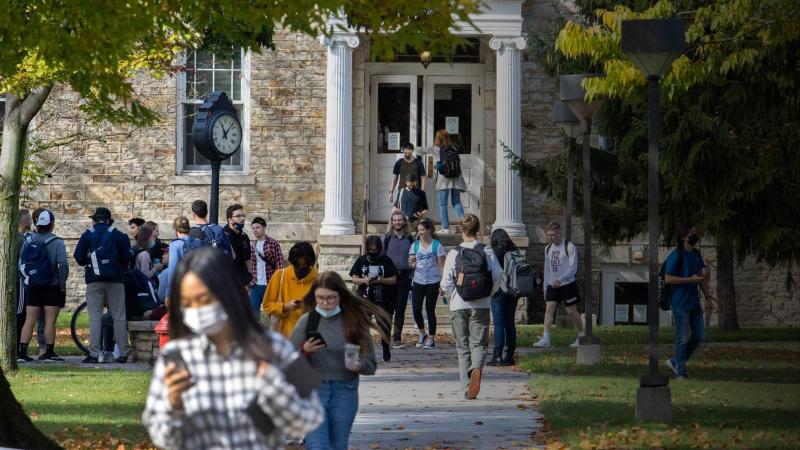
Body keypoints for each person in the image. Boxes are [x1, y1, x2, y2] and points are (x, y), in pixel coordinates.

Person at [142, 247, 324, 449]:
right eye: (187, 302)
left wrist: (276, 390)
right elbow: (160, 434)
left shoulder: (277, 347)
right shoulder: (174, 356)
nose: (197, 309)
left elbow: (313, 415)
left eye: (203, 299)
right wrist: (173, 405)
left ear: (227, 294)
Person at [289, 271, 389, 450]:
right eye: (320, 298)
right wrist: (304, 350)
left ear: (341, 296)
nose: (325, 303)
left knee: (338, 445)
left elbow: (371, 364)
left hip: (345, 390)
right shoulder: (307, 321)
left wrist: (359, 365)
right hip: (314, 391)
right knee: (318, 446)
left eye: (330, 298)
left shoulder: (354, 321)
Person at [441, 214, 502, 399]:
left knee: (462, 346)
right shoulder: (487, 250)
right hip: (481, 304)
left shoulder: (454, 253)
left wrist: (450, 294)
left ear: (461, 230)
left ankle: (467, 386)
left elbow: (446, 283)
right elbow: (498, 275)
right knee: (479, 343)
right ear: (478, 230)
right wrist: (490, 293)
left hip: (458, 303)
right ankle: (476, 368)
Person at [74, 207, 132, 363]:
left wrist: (89, 259)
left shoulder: (88, 235)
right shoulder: (118, 235)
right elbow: (127, 257)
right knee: (119, 316)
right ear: (109, 220)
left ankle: (94, 353)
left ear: (94, 220)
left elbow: (78, 258)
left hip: (94, 281)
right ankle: (123, 353)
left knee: (95, 317)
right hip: (116, 281)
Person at [17, 209, 69, 362]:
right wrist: (62, 283)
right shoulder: (57, 242)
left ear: (37, 224)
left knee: (30, 319)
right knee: (49, 320)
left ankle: (22, 352)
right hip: (52, 285)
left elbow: (21, 263)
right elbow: (63, 265)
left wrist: (26, 281)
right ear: (52, 224)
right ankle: (48, 352)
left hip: (33, 285)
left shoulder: (29, 240)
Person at [664, 224, 708, 380]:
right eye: (692, 233)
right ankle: (681, 372)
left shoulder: (696, 254)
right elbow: (668, 278)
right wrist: (688, 280)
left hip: (694, 303)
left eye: (695, 232)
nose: (695, 235)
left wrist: (708, 296)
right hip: (680, 303)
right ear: (683, 237)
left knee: (699, 336)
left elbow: (701, 277)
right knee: (682, 338)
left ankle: (676, 361)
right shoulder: (676, 255)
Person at [533, 222, 585, 349]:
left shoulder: (569, 246)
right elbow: (547, 269)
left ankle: (581, 336)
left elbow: (573, 268)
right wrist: (546, 287)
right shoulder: (548, 248)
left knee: (571, 311)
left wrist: (560, 280)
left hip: (567, 283)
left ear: (559, 232)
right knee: (549, 309)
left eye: (553, 235)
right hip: (552, 284)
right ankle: (546, 338)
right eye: (548, 235)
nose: (550, 238)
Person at [349, 235, 397, 361]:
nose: (373, 253)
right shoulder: (361, 260)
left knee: (384, 326)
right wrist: (364, 280)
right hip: (365, 297)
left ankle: (385, 346)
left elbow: (393, 279)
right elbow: (354, 278)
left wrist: (381, 280)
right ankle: (363, 350)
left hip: (383, 298)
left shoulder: (386, 260)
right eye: (371, 251)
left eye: (376, 251)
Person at [262, 242, 319, 337]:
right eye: (297, 265)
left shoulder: (318, 280)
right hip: (283, 336)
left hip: (307, 337)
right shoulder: (280, 276)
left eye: (304, 266)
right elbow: (267, 306)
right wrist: (284, 307)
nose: (300, 268)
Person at [418, 130, 466, 233]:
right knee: (456, 202)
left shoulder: (435, 149)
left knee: (443, 204)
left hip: (443, 179)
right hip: (456, 178)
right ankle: (465, 227)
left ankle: (445, 228)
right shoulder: (454, 148)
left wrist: (410, 148)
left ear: (437, 138)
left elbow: (419, 151)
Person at [408, 218, 446, 349]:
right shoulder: (415, 245)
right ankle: (422, 333)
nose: (420, 233)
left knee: (430, 310)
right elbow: (411, 265)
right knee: (416, 309)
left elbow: (441, 266)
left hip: (433, 281)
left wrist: (442, 283)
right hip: (418, 280)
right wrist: (412, 263)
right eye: (418, 231)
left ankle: (431, 338)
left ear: (430, 230)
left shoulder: (437, 245)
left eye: (422, 230)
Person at [487, 228, 520, 366]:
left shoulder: (495, 251)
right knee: (510, 323)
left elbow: (491, 271)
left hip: (499, 291)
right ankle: (510, 355)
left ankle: (497, 355)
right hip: (513, 291)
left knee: (499, 324)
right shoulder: (514, 250)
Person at [16, 208, 46, 354]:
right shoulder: (21, 239)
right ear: (23, 220)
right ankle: (18, 348)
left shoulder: (26, 237)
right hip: (22, 282)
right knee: (21, 314)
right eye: (28, 218)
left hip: (26, 281)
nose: (31, 221)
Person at [382, 211, 414, 348]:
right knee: (388, 309)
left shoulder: (410, 239)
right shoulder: (387, 238)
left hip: (404, 278)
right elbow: (382, 257)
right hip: (389, 278)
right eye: (395, 220)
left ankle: (397, 338)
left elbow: (414, 257)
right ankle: (386, 337)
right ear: (391, 222)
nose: (397, 223)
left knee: (400, 309)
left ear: (405, 222)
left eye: (400, 220)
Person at [249, 216, 285, 314]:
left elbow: (280, 264)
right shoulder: (253, 245)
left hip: (270, 284)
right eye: (253, 228)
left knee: (272, 312)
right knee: (253, 313)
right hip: (255, 284)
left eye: (257, 227)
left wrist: (279, 284)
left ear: (264, 228)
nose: (255, 230)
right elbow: (252, 265)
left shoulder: (273, 243)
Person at [164, 216, 201, 301]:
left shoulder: (176, 244)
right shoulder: (198, 242)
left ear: (175, 229)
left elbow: (173, 271)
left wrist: (169, 294)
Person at [223, 204, 253, 288]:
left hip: (244, 283)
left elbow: (248, 259)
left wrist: (249, 276)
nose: (242, 218)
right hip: (229, 285)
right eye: (238, 216)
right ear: (230, 219)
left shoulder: (244, 236)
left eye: (243, 215)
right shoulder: (223, 236)